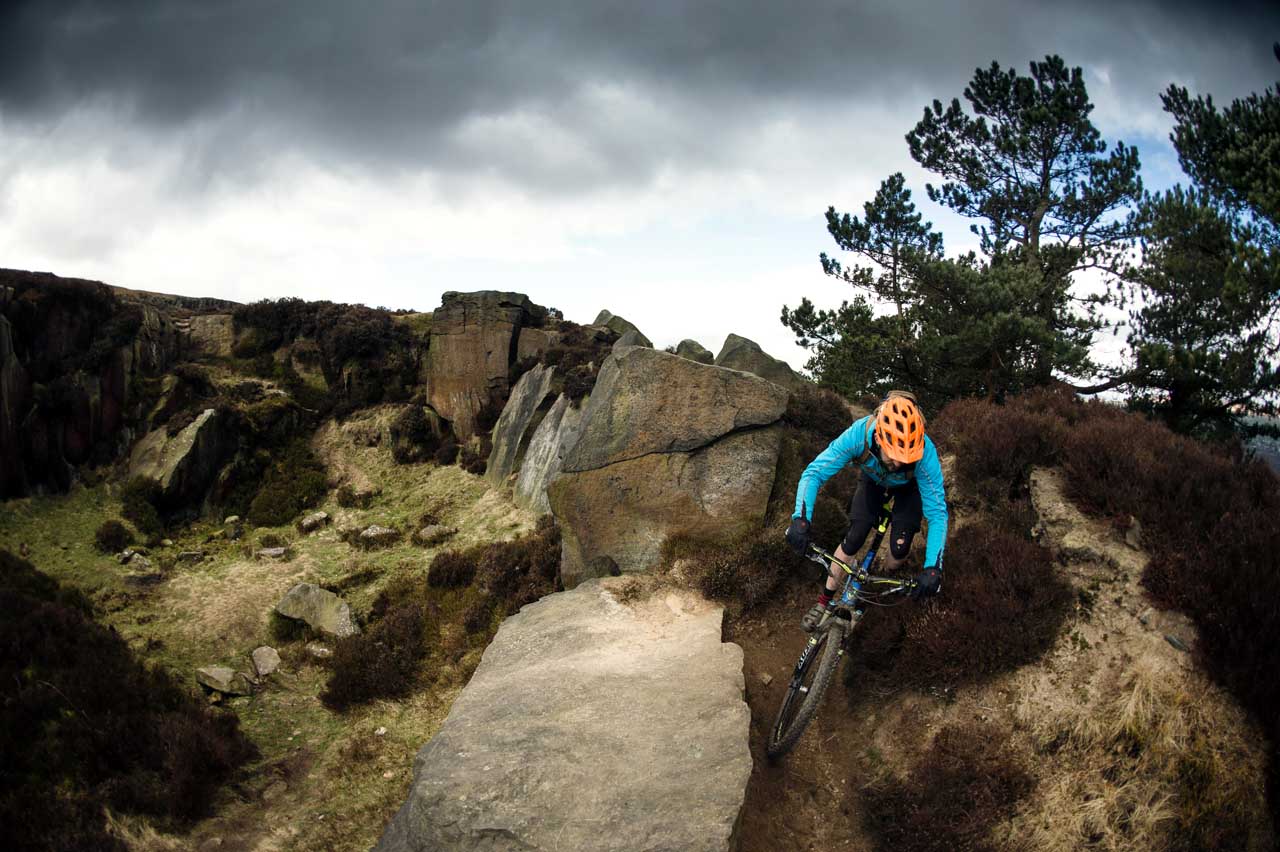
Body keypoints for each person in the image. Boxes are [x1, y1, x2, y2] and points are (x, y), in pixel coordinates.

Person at [785, 391, 947, 631]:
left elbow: (937, 513)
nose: (899, 464)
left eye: (906, 458)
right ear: (879, 438)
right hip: (872, 482)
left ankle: (878, 580)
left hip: (909, 490)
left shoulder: (925, 453)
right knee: (854, 537)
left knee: (899, 551)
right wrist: (800, 519)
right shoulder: (859, 434)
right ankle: (824, 600)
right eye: (894, 455)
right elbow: (814, 473)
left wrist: (933, 566)